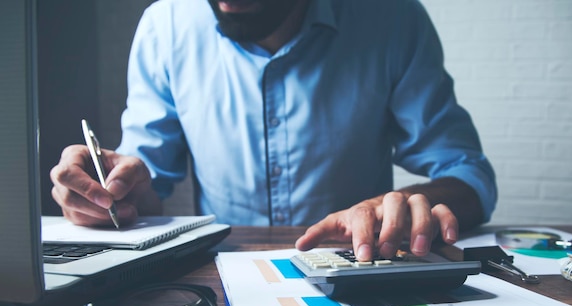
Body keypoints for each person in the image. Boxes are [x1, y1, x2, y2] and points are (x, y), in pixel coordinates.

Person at [50, 0, 497, 262]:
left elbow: (468, 172)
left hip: (360, 270)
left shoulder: (393, 18)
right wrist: (109, 195)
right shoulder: (165, 25)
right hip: (222, 280)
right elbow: (145, 188)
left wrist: (404, 207)